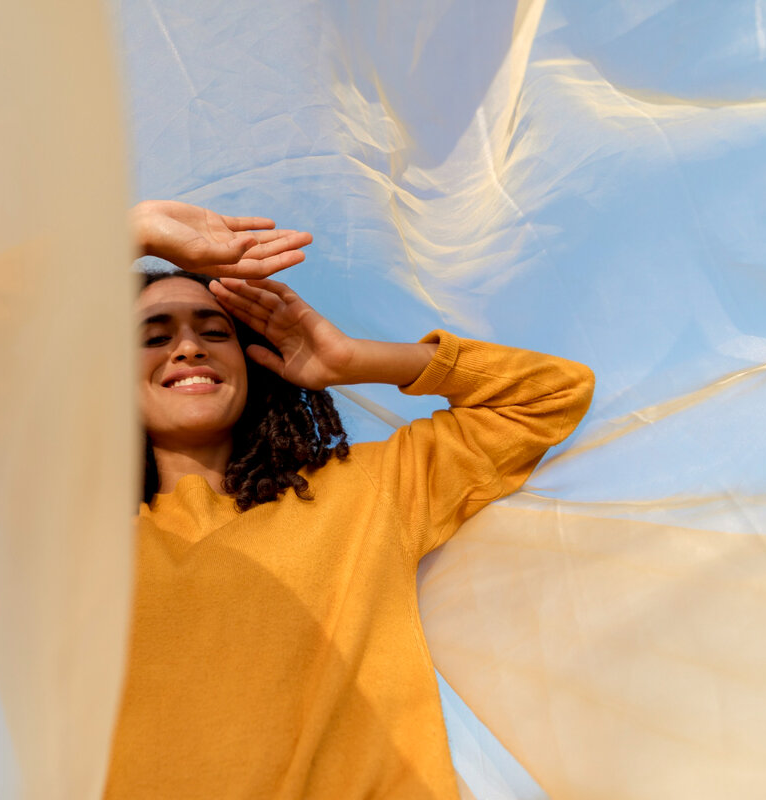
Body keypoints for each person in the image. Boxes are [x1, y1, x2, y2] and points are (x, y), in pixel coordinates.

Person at [106, 200, 596, 799]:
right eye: (154, 337)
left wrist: (351, 360)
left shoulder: (366, 491)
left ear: (254, 365)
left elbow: (552, 395)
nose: (189, 349)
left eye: (215, 332)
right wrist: (131, 233)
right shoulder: (80, 551)